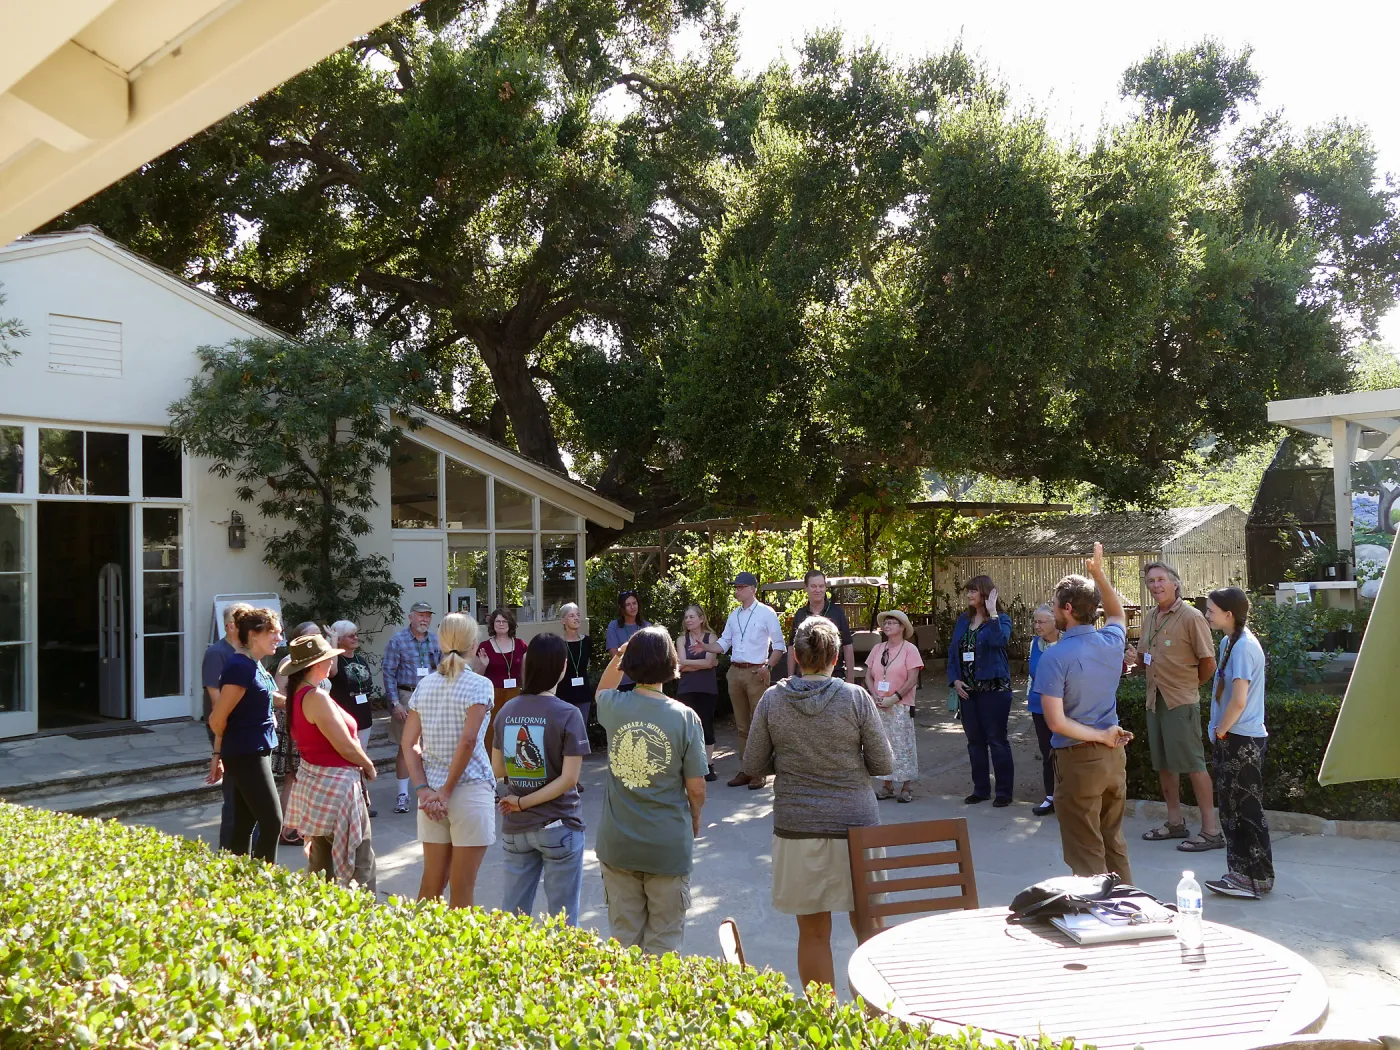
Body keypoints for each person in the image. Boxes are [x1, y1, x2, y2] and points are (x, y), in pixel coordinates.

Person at [742, 615, 893, 992]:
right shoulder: (856, 698)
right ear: (834, 658)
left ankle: (822, 1026)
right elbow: (884, 764)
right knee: (871, 929)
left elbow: (751, 765)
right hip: (857, 828)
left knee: (812, 934)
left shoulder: (773, 701)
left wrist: (788, 759)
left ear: (795, 654)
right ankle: (877, 1024)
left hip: (798, 829)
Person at [594, 626, 707, 955]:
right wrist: (695, 816)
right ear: (673, 662)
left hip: (618, 844)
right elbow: (696, 787)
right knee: (665, 943)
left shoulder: (614, 706)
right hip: (667, 845)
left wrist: (619, 657)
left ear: (630, 664)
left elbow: (602, 690)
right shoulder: (685, 718)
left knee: (623, 940)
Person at [1033, 543, 1134, 882]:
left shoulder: (1054, 657)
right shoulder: (1111, 640)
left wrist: (1099, 734)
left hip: (1079, 762)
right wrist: (1099, 576)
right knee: (1112, 840)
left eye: (1055, 606)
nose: (1052, 612)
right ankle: (1132, 911)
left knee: (1086, 850)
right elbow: (1118, 613)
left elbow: (1056, 722)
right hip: (1113, 759)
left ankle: (1101, 919)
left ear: (1068, 608)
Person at [491, 632, 591, 925]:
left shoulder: (506, 711)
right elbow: (569, 779)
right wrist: (522, 803)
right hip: (558, 825)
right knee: (562, 922)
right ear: (563, 666)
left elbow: (498, 770)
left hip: (515, 828)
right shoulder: (569, 714)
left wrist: (514, 800)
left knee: (513, 917)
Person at [402, 613, 496, 908]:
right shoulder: (480, 685)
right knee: (462, 885)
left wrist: (423, 790)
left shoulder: (425, 685)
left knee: (431, 881)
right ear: (474, 642)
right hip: (468, 790)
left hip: (430, 794)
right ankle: (457, 952)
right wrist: (444, 792)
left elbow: (408, 743)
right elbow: (468, 742)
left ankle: (417, 948)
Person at [1128, 562, 1222, 852]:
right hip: (1155, 700)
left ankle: (1211, 831)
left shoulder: (1192, 617)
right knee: (1164, 765)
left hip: (1180, 701)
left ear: (1175, 584)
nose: (1155, 585)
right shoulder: (1151, 617)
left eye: (1160, 580)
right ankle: (1175, 822)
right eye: (1150, 581)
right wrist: (1135, 660)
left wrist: (1189, 686)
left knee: (1194, 765)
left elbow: (1208, 663)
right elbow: (1145, 660)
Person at [281, 633, 378, 892]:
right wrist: (368, 765)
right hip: (337, 788)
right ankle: (367, 921)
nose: (331, 663)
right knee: (360, 862)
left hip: (317, 785)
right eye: (327, 658)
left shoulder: (299, 694)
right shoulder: (316, 697)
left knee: (321, 863)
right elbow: (344, 746)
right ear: (315, 665)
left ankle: (320, 918)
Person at [1203, 587, 1274, 899]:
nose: (1207, 614)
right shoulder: (1228, 642)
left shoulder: (1244, 647)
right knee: (1231, 809)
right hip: (1231, 735)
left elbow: (1239, 700)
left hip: (1241, 738)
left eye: (1211, 610)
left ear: (1228, 614)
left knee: (1246, 809)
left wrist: (1221, 731)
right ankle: (1239, 874)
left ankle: (1257, 877)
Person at [208, 607, 285, 862]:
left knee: (244, 822)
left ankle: (236, 881)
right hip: (246, 753)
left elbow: (268, 696)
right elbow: (218, 718)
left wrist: (302, 699)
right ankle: (263, 886)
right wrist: (219, 753)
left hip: (253, 750)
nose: (279, 638)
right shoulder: (240, 667)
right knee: (272, 821)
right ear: (253, 634)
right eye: (273, 632)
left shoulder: (254, 664)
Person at [699, 571, 787, 789]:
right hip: (735, 671)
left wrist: (767, 667)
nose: (736, 591)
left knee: (759, 724)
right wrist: (705, 647)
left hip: (757, 672)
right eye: (736, 587)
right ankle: (747, 769)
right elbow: (723, 643)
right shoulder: (734, 615)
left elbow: (779, 646)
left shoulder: (767, 613)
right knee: (742, 726)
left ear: (752, 589)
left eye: (740, 587)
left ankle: (760, 771)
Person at [948, 575, 1014, 807]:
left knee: (996, 740)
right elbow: (953, 652)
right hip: (968, 692)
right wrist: (955, 680)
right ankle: (981, 789)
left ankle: (1004, 792)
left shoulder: (1001, 619)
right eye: (968, 591)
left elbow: (1000, 642)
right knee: (975, 742)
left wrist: (993, 612)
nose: (969, 595)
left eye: (973, 591)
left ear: (985, 593)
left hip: (994, 691)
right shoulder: (963, 620)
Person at [272, 621, 332, 846]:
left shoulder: (317, 661)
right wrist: (302, 706)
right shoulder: (289, 662)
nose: (317, 638)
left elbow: (332, 672)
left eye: (319, 634)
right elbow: (276, 696)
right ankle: (288, 830)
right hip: (297, 724)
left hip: (315, 724)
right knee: (293, 777)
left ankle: (301, 825)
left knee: (304, 778)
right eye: (311, 635)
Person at [381, 601, 441, 814]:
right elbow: (388, 672)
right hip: (406, 695)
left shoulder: (435, 639)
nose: (424, 619)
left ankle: (430, 791)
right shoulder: (398, 641)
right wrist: (394, 702)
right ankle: (402, 795)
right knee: (405, 746)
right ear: (411, 617)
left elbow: (442, 667)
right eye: (420, 615)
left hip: (432, 696)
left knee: (432, 745)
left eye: (427, 615)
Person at [203, 601, 253, 850]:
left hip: (246, 732)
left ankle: (245, 849)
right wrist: (217, 751)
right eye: (245, 621)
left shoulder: (248, 651)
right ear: (231, 626)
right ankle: (228, 852)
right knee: (233, 795)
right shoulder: (217, 653)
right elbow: (217, 704)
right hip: (226, 730)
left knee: (247, 794)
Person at [865, 609, 923, 803]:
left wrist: (895, 697)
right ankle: (887, 784)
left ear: (902, 627)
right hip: (879, 704)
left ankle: (906, 786)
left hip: (900, 704)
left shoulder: (909, 649)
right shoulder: (878, 648)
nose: (887, 626)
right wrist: (874, 694)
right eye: (886, 623)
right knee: (883, 744)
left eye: (892, 623)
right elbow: (869, 674)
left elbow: (913, 678)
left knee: (903, 744)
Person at [327, 620, 378, 817]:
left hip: (363, 717)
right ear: (339, 639)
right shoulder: (335, 660)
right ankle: (347, 805)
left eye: (356, 634)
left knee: (361, 759)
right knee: (347, 762)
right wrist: (332, 643)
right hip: (344, 718)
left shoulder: (360, 659)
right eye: (350, 635)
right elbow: (331, 672)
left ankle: (362, 802)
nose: (355, 638)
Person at [786, 570, 856, 683]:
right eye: (813, 586)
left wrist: (850, 678)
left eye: (821, 586)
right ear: (806, 587)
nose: (818, 590)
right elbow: (791, 647)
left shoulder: (837, 612)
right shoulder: (800, 614)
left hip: (834, 678)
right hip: (804, 679)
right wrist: (790, 678)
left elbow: (847, 646)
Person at [675, 604, 719, 782]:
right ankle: (687, 766)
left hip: (707, 689)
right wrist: (703, 664)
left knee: (706, 726)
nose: (688, 620)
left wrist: (689, 665)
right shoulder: (680, 639)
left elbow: (709, 663)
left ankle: (708, 765)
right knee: (686, 730)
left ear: (702, 619)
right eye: (686, 618)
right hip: (686, 689)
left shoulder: (711, 637)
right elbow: (680, 664)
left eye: (692, 617)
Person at [475, 607, 529, 746]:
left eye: (504, 621)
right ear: (492, 624)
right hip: (493, 696)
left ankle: (513, 764)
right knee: (491, 732)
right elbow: (477, 676)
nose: (501, 624)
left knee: (515, 731)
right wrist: (484, 665)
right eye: (497, 621)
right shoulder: (485, 646)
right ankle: (492, 765)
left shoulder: (520, 645)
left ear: (510, 623)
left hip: (515, 695)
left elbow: (524, 671)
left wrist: (526, 692)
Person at [1026, 604, 1061, 817]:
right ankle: (1050, 796)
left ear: (1054, 622)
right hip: (1039, 706)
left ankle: (1069, 797)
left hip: (1062, 707)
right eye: (1035, 622)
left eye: (1041, 622)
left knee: (1065, 751)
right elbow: (1032, 674)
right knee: (1046, 751)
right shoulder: (1035, 644)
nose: (1036, 626)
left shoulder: (1066, 643)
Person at [556, 603, 594, 726]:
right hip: (564, 694)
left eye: (578, 615)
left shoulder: (587, 641)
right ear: (563, 621)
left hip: (583, 694)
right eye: (572, 615)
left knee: (581, 731)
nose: (576, 618)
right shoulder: (558, 643)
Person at [605, 590, 649, 689]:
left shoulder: (647, 626)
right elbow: (614, 655)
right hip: (622, 681)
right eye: (628, 604)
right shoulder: (614, 626)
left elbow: (650, 655)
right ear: (622, 608)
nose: (632, 607)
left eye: (634, 603)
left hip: (643, 681)